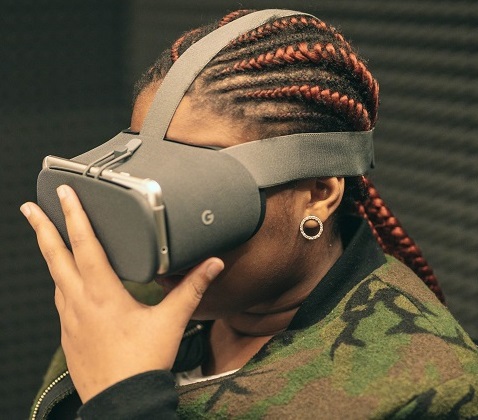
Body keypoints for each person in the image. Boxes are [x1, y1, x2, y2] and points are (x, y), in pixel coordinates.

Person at [24, 9, 477, 419]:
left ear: (319, 192)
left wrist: (126, 399)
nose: (163, 235)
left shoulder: (429, 390)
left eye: (197, 192)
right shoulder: (137, 287)